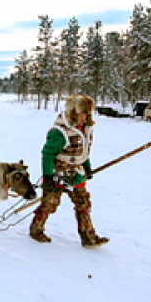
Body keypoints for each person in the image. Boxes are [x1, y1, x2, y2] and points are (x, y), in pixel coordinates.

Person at [29, 94, 109, 248]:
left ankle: (88, 237)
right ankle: (36, 229)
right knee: (50, 204)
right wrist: (48, 178)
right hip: (57, 173)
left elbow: (82, 150)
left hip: (76, 173)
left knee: (83, 202)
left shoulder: (84, 128)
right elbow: (47, 154)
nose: (85, 117)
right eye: (82, 113)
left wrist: (86, 166)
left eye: (87, 114)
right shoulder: (59, 132)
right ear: (73, 112)